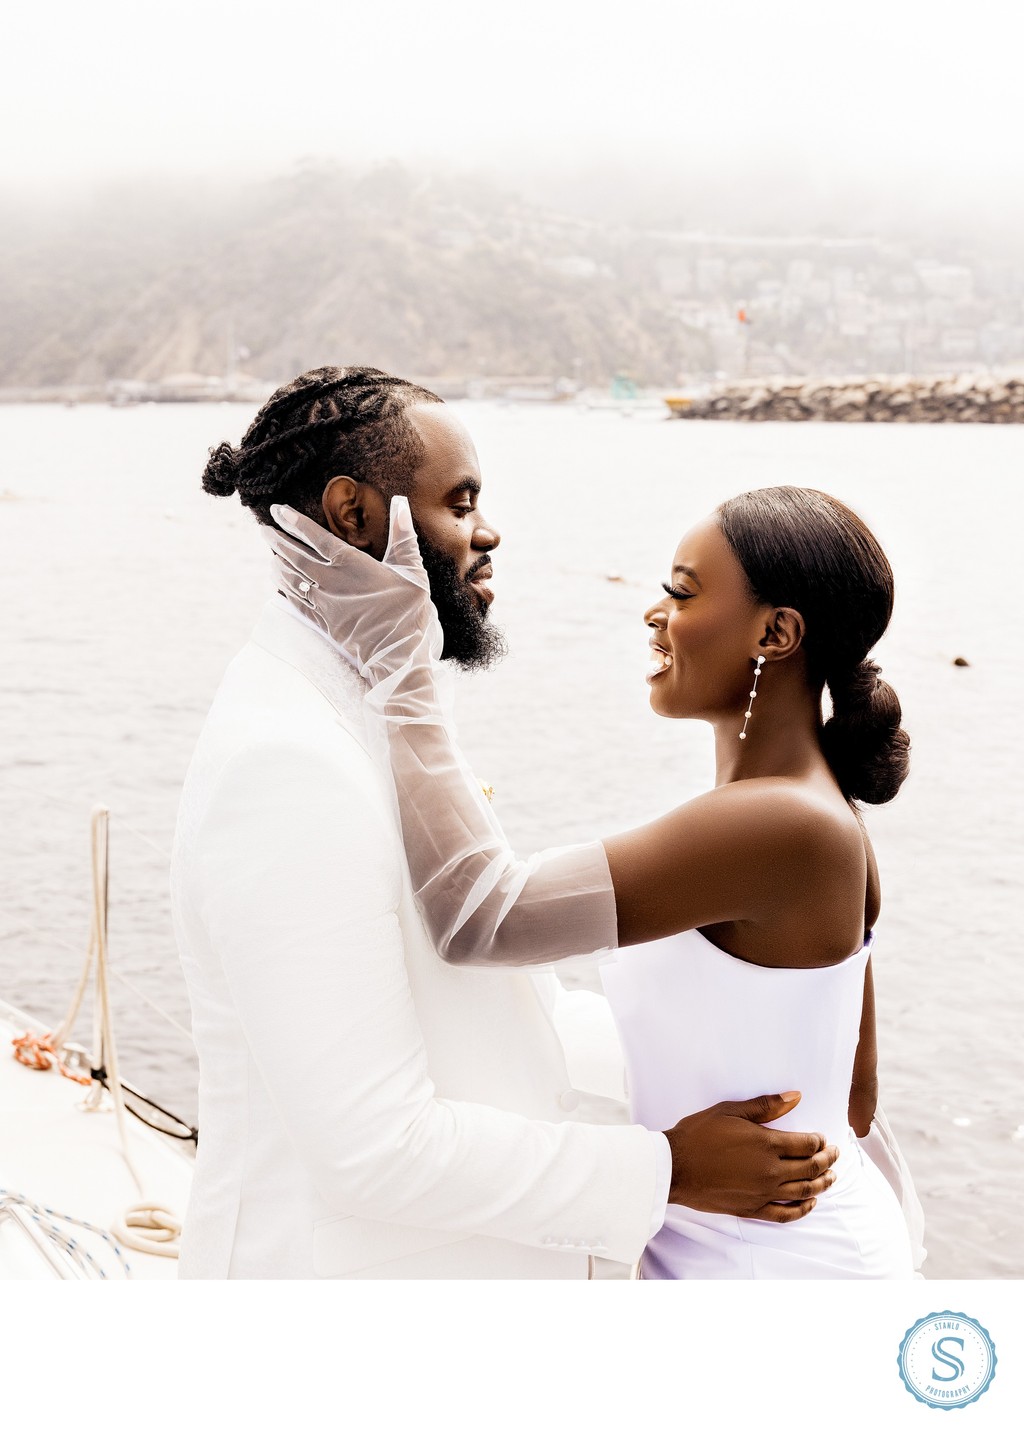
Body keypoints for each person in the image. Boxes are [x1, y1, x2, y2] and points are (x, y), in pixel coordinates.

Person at [170, 365, 840, 1280]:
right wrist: (666, 1167)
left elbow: (503, 1008)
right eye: (461, 500)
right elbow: (373, 1148)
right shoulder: (287, 762)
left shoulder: (365, 701)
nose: (489, 532)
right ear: (356, 515)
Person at [268, 443, 925, 1279]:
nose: (654, 614)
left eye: (683, 592)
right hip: (757, 1250)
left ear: (776, 632)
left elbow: (482, 917)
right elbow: (854, 1099)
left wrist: (402, 661)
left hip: (774, 1273)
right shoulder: (813, 810)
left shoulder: (776, 823)